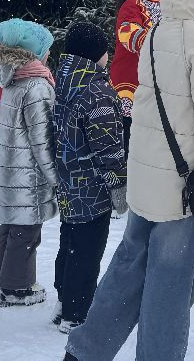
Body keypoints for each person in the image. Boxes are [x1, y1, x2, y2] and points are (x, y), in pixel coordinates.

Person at [65, 0, 194, 361]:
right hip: (184, 188)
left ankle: (85, 351)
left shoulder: (157, 32)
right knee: (171, 287)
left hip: (149, 178)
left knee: (128, 267)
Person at [52, 22, 128, 334]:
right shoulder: (97, 90)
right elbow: (107, 145)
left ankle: (64, 298)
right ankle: (76, 313)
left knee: (70, 239)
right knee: (88, 248)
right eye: (105, 50)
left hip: (68, 178)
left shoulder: (65, 79)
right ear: (95, 54)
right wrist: (119, 182)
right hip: (92, 185)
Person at [0, 18, 58, 307]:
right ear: (33, 54)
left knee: (10, 226)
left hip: (10, 174)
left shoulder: (15, 80)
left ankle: (1, 280)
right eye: (46, 50)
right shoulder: (37, 86)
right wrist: (56, 177)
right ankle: (16, 288)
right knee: (26, 232)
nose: (49, 55)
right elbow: (43, 140)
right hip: (27, 177)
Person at [110, 0, 162, 150]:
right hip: (131, 76)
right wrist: (153, 40)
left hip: (154, 75)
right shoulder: (133, 5)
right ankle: (127, 159)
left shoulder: (165, 3)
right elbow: (127, 33)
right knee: (130, 124)